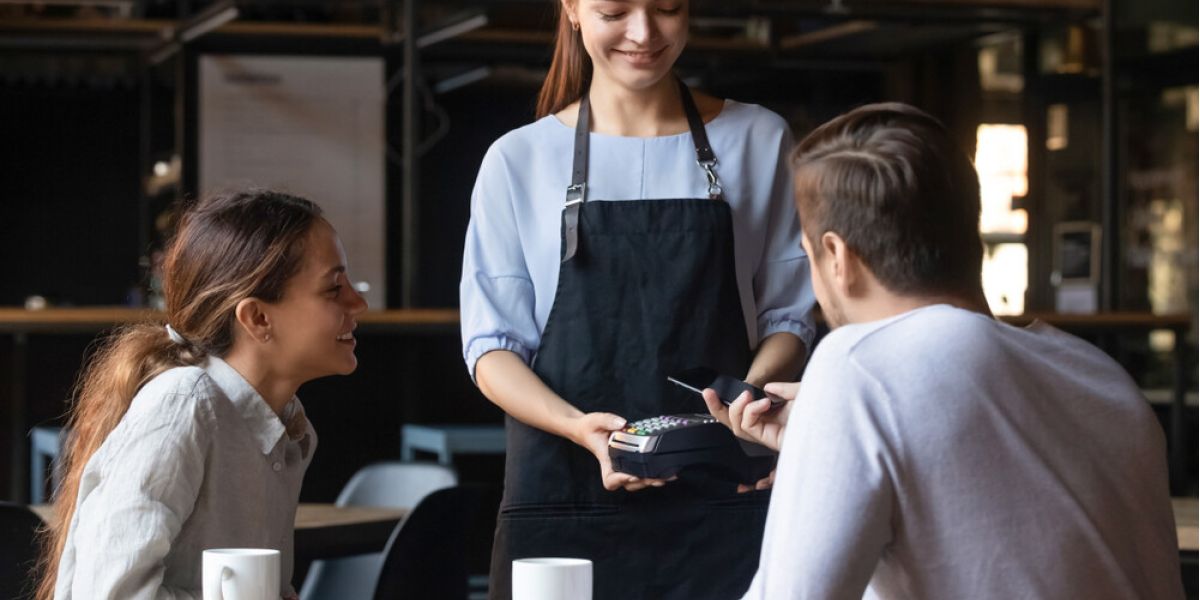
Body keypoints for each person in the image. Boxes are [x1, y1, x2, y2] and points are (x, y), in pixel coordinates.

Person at [703, 102, 1184, 599]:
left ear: (837, 256)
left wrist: (843, 414)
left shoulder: (857, 365)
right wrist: (825, 440)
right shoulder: (1098, 374)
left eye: (808, 257)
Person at [459, 0, 816, 597]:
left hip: (722, 496)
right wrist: (579, 429)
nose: (644, 33)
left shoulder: (759, 137)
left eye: (668, 8)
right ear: (571, 10)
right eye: (615, 11)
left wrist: (737, 411)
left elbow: (790, 314)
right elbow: (491, 348)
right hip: (566, 499)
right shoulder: (517, 159)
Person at [36, 190, 368, 600]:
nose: (359, 302)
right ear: (258, 317)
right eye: (334, 288)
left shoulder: (288, 426)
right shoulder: (183, 406)